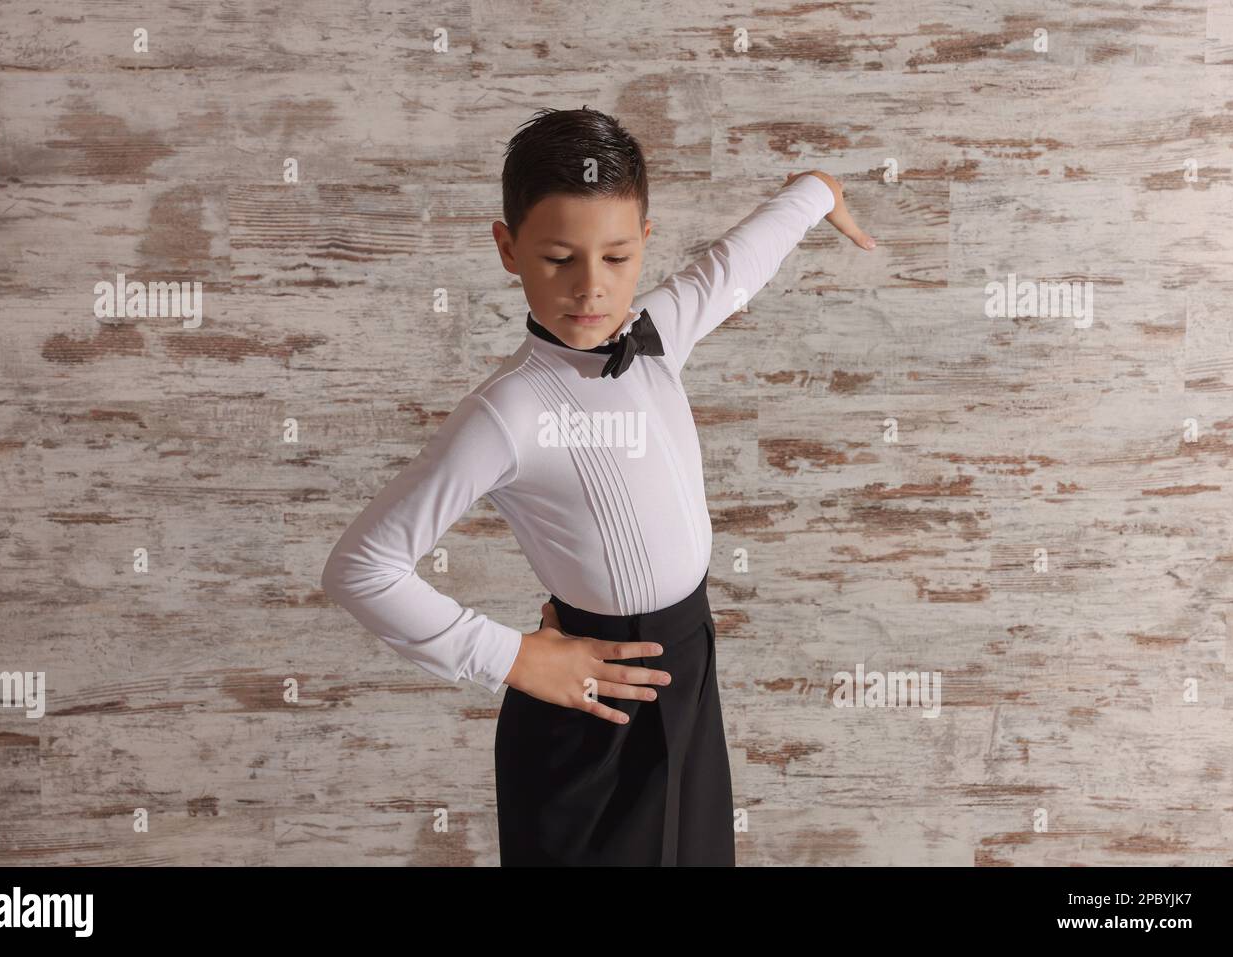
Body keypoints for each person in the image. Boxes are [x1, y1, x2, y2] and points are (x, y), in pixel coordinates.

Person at [321, 105, 874, 866]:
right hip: (591, 711)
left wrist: (814, 191)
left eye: (616, 258)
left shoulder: (655, 333)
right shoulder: (507, 410)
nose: (590, 289)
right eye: (558, 258)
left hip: (688, 676)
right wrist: (515, 658)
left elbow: (736, 263)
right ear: (507, 249)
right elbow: (361, 566)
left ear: (644, 244)